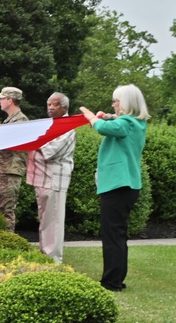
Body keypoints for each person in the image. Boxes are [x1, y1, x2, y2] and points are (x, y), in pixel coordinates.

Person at [80, 85, 150, 292]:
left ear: (126, 103)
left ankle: (111, 283)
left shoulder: (126, 123)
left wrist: (92, 117)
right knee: (117, 234)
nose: (113, 104)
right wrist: (107, 115)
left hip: (118, 185)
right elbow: (113, 121)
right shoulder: (136, 122)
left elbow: (103, 128)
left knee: (113, 235)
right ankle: (116, 279)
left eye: (116, 101)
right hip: (125, 186)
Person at [27, 93, 76, 262]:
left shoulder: (68, 127)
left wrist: (33, 140)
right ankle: (45, 254)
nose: (50, 108)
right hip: (42, 179)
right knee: (45, 219)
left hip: (55, 180)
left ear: (64, 107)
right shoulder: (50, 125)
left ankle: (53, 259)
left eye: (55, 105)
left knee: (53, 221)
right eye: (48, 104)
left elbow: (51, 152)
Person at [0, 86, 29, 231]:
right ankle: (0, 244)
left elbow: (10, 143)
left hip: (9, 171)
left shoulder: (20, 121)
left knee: (5, 211)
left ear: (9, 100)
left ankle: (7, 247)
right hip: (4, 171)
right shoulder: (11, 120)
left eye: (1, 98)